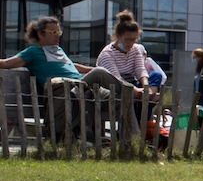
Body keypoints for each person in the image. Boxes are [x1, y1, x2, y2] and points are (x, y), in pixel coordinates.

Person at [0, 16, 139, 140]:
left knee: (122, 99)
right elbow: (6, 64)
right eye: (53, 32)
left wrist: (90, 70)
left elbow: (71, 66)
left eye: (59, 32)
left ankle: (134, 140)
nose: (57, 36)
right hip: (67, 90)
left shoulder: (59, 50)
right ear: (40, 34)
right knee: (100, 73)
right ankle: (135, 92)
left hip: (84, 88)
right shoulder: (33, 52)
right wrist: (96, 72)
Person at [97, 10, 153, 101]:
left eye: (133, 40)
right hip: (116, 86)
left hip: (131, 81)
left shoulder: (135, 49)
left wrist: (146, 87)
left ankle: (147, 97)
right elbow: (116, 78)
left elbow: (140, 70)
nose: (130, 43)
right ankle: (143, 98)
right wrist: (136, 91)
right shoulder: (107, 54)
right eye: (127, 40)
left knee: (156, 76)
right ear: (118, 36)